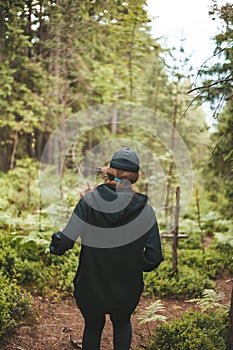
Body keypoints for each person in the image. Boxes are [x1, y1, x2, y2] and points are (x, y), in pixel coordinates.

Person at [50, 147, 164, 350]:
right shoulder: (145, 210)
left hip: (90, 285)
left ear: (109, 171)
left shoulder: (89, 201)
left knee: (93, 326)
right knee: (121, 323)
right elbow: (154, 256)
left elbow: (64, 243)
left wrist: (55, 241)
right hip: (126, 287)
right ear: (135, 177)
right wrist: (133, 263)